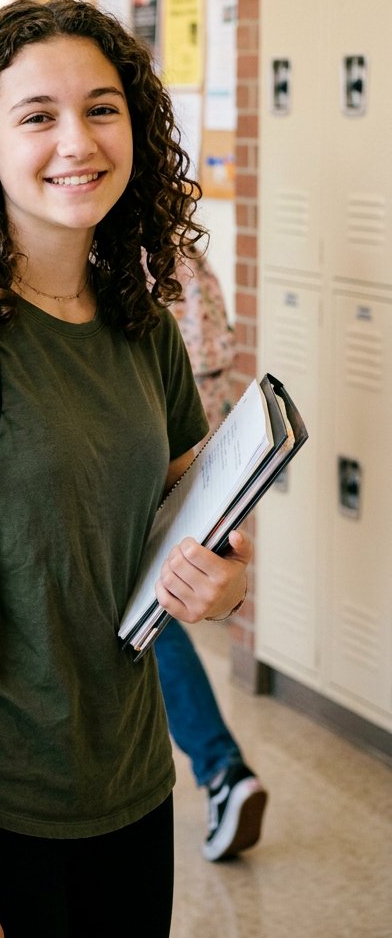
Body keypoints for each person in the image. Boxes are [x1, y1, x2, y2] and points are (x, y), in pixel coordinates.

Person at [0, 0, 252, 938]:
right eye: (37, 115)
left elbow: (197, 533)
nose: (77, 140)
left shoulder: (141, 325)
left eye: (102, 108)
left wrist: (228, 587)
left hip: (130, 788)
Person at [156, 253, 268, 863]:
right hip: (211, 413)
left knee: (151, 600)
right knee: (161, 597)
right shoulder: (170, 227)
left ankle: (223, 770)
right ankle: (223, 770)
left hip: (174, 422)